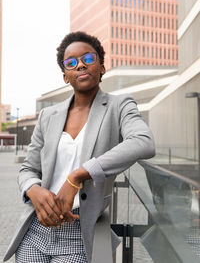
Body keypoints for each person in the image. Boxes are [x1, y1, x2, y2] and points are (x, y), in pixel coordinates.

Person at [4, 31, 155, 263]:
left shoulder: (119, 106)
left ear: (101, 67)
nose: (81, 65)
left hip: (78, 232)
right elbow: (28, 169)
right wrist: (33, 190)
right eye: (71, 63)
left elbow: (143, 142)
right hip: (36, 228)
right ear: (66, 76)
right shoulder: (48, 115)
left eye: (88, 58)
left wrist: (78, 175)